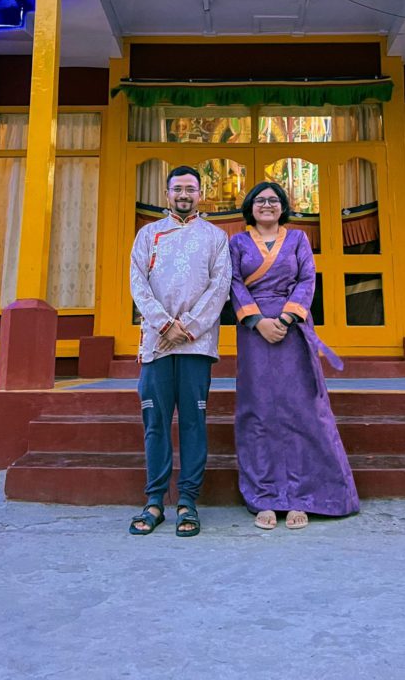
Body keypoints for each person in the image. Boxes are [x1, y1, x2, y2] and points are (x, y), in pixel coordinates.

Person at [229, 181, 360, 530]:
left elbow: (307, 280)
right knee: (258, 411)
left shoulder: (299, 239)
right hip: (255, 332)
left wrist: (285, 318)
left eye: (273, 200)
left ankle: (304, 495)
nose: (267, 205)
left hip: (292, 330)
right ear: (250, 208)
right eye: (260, 201)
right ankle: (265, 497)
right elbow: (233, 283)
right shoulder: (238, 242)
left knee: (302, 408)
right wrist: (258, 322)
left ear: (283, 206)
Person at [129, 165, 232, 537]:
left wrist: (185, 327)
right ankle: (154, 500)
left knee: (193, 423)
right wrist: (164, 325)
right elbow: (138, 284)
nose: (184, 195)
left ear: (200, 194)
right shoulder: (148, 235)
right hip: (157, 344)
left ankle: (188, 501)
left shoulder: (216, 237)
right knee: (155, 424)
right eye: (177, 189)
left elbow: (220, 288)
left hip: (196, 344)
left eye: (191, 189)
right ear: (167, 194)